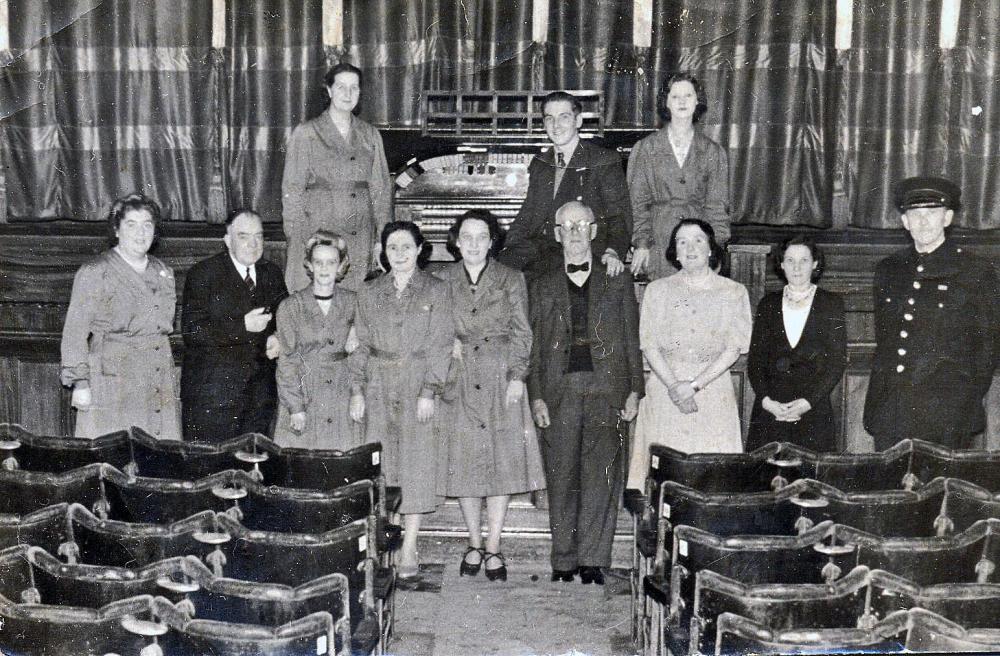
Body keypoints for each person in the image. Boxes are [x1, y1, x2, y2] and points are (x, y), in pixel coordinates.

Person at [528, 201, 643, 585]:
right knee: (561, 476)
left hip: (606, 389)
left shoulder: (618, 279)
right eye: (567, 225)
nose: (575, 232)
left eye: (582, 224)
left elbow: (631, 338)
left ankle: (594, 557)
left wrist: (634, 390)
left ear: (594, 231)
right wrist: (537, 396)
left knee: (602, 478)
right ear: (557, 233)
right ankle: (563, 558)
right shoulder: (541, 283)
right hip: (559, 391)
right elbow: (535, 346)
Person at [436, 210, 545, 582]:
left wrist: (518, 375)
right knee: (465, 461)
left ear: (492, 240)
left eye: (481, 236)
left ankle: (495, 546)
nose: (474, 244)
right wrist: (446, 343)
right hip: (460, 375)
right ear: (456, 240)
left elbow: (523, 332)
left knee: (501, 462)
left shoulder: (511, 278)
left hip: (500, 376)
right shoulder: (442, 278)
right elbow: (433, 326)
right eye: (466, 236)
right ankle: (473, 542)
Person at [863, 176, 1000, 451]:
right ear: (905, 221)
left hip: (947, 414)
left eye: (932, 214)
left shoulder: (975, 271)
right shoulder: (889, 269)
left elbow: (987, 348)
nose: (923, 222)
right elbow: (887, 342)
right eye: (915, 214)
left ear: (947, 218)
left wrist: (963, 402)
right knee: (890, 489)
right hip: (893, 411)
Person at [349, 221, 454, 578]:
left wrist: (429, 391)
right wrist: (357, 390)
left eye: (407, 247)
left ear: (420, 249)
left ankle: (409, 547)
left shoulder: (436, 290)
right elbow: (360, 345)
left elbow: (442, 345)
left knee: (417, 465)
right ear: (383, 252)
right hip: (379, 382)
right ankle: (383, 544)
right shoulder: (369, 292)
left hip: (416, 383)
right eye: (392, 247)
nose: (400, 254)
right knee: (382, 465)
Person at [626, 219, 751, 488]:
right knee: (663, 478)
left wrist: (694, 386)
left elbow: (734, 349)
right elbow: (648, 344)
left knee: (712, 479)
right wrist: (674, 386)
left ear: (710, 249)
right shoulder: (657, 290)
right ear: (675, 252)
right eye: (682, 242)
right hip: (665, 392)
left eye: (698, 240)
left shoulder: (733, 292)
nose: (690, 247)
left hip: (712, 392)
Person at [60, 193, 180, 440]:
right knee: (114, 454)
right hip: (113, 379)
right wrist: (80, 383)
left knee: (155, 455)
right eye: (131, 225)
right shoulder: (96, 271)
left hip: (156, 376)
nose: (141, 233)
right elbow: (74, 332)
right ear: (116, 229)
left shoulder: (163, 272)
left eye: (147, 225)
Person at [282, 62, 393, 293]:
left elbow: (380, 191)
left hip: (360, 233)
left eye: (354, 88)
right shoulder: (307, 133)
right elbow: (292, 189)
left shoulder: (370, 135)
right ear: (330, 91)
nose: (348, 93)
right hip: (315, 232)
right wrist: (295, 236)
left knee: (354, 300)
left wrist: (383, 238)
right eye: (341, 87)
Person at [498, 91, 631, 280]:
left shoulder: (603, 160)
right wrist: (508, 247)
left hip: (583, 249)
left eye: (564, 117)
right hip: (542, 251)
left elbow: (618, 215)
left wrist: (613, 251)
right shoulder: (540, 162)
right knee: (497, 270)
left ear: (578, 121)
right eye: (549, 118)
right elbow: (527, 214)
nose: (556, 126)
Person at [181, 209, 288, 442]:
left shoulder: (272, 273)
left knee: (253, 471)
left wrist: (278, 336)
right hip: (214, 400)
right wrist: (242, 325)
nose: (253, 244)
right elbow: (192, 331)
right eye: (243, 236)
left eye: (258, 236)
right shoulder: (203, 274)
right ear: (228, 240)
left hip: (259, 399)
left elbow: (286, 318)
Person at [746, 236, 847, 453]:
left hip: (813, 410)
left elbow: (836, 362)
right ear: (781, 264)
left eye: (804, 260)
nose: (797, 267)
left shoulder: (831, 304)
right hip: (771, 412)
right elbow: (755, 361)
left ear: (815, 264)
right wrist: (767, 402)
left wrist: (808, 402)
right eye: (790, 260)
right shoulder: (768, 304)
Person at [627, 72, 731, 280]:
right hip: (659, 244)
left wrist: (715, 249)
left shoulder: (712, 152)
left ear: (697, 101)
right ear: (666, 102)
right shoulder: (646, 149)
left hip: (699, 247)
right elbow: (637, 203)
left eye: (688, 96)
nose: (682, 102)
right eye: (675, 96)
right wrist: (641, 244)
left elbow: (717, 207)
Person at [273, 230, 360, 449]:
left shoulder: (354, 302)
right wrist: (296, 407)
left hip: (342, 391)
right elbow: (286, 361)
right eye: (318, 262)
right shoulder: (291, 306)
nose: (324, 268)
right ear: (309, 265)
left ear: (341, 266)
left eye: (331, 262)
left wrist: (357, 330)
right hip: (306, 390)